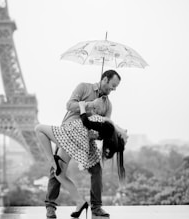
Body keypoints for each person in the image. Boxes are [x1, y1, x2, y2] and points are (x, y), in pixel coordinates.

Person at [37, 69, 128, 218]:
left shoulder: (108, 105)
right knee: (57, 170)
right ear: (104, 79)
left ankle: (96, 207)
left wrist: (98, 134)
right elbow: (69, 105)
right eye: (112, 85)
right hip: (70, 131)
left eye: (116, 87)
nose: (114, 89)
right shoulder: (83, 87)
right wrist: (90, 104)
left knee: (97, 169)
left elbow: (105, 128)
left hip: (88, 139)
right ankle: (50, 207)